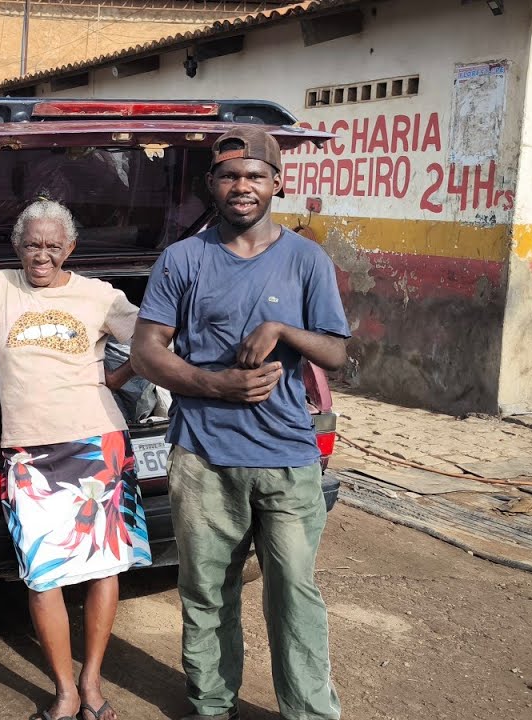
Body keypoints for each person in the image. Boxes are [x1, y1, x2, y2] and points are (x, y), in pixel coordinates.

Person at [130, 127, 350, 720]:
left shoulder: (306, 259)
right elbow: (147, 350)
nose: (242, 187)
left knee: (295, 596)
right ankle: (212, 706)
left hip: (288, 459)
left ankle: (308, 711)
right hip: (202, 458)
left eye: (254, 176)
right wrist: (212, 383)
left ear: (277, 183)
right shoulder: (183, 259)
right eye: (229, 176)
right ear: (212, 186)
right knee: (206, 595)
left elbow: (335, 353)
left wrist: (283, 332)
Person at [0, 199, 152, 720]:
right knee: (42, 574)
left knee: (104, 567)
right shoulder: (0, 286)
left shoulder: (99, 295)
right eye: (33, 245)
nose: (42, 255)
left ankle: (91, 684)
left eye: (53, 246)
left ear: (71, 249)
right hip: (30, 453)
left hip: (97, 443)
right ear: (18, 246)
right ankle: (63, 690)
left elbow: (151, 342)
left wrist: (117, 378)